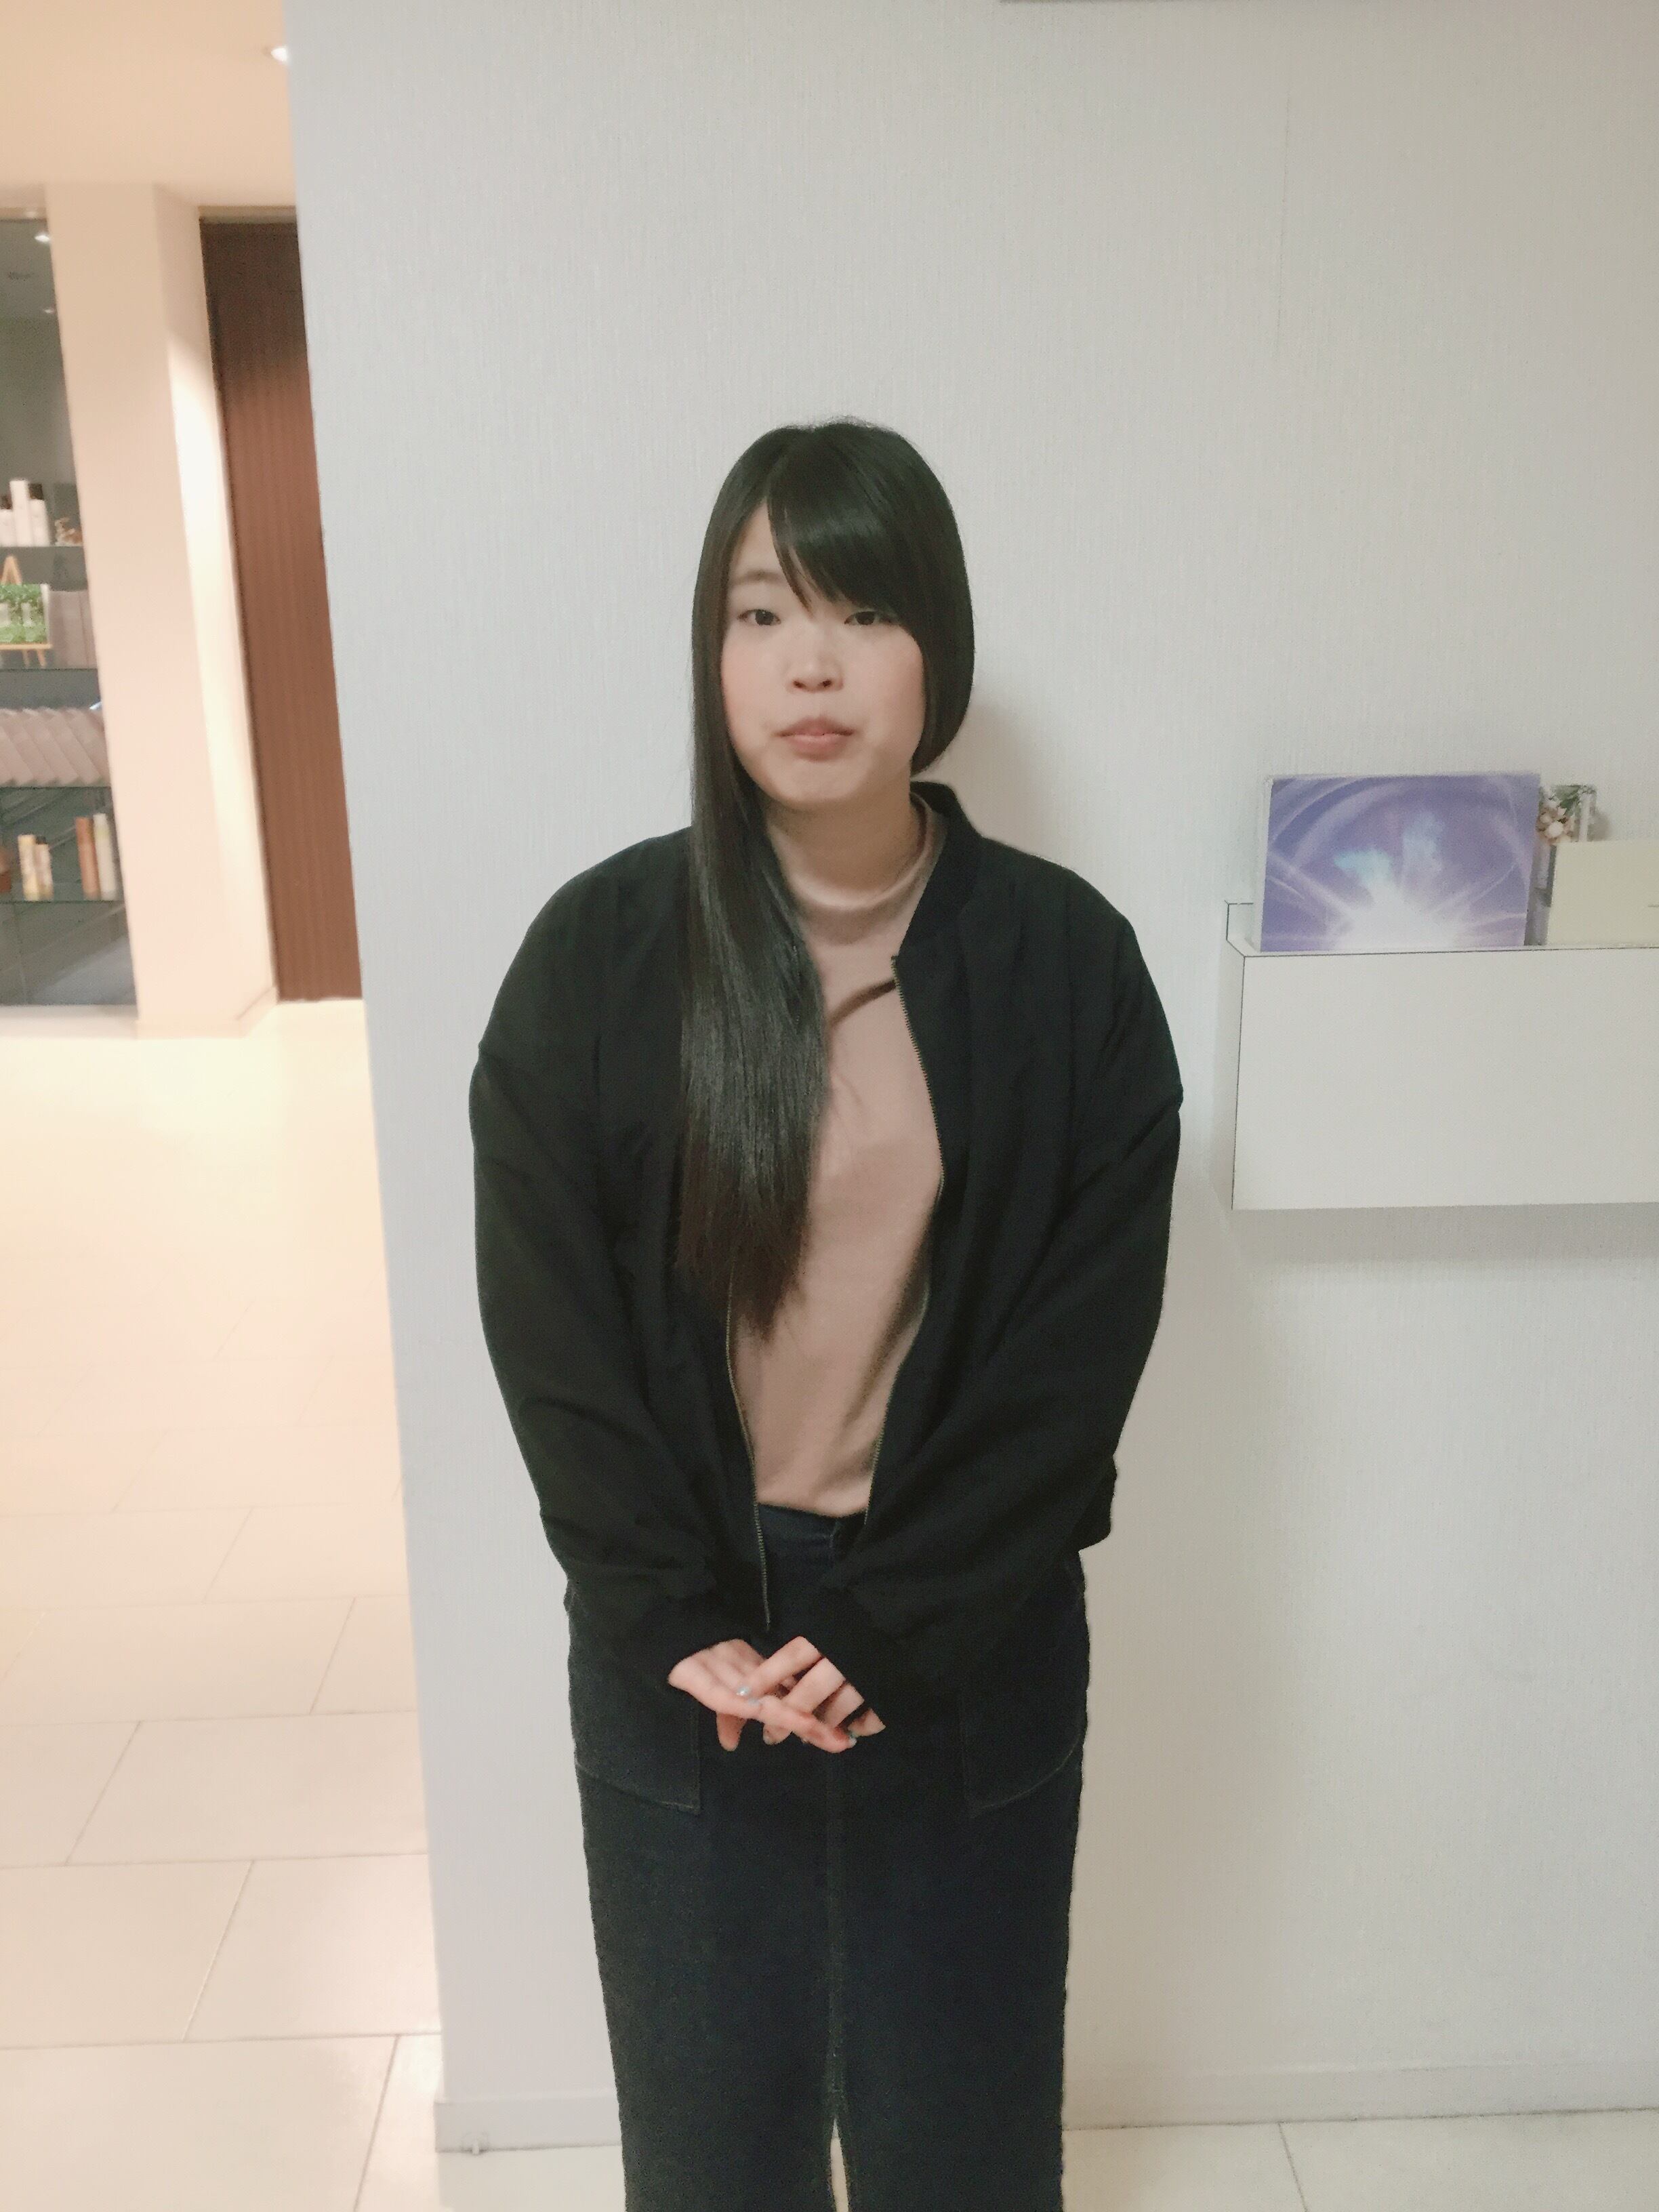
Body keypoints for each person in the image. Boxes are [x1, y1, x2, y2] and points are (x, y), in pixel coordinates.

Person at [469, 417, 1183, 2212]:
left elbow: (1073, 1360)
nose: (810, 663)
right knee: (715, 2156)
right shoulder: (597, 959)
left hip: (966, 1632)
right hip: (694, 1655)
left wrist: (899, 1621)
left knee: (963, 2149)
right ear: (711, 654)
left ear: (938, 648)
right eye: (761, 612)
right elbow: (552, 1332)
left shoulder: (1068, 967)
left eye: (862, 612)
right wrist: (668, 1614)